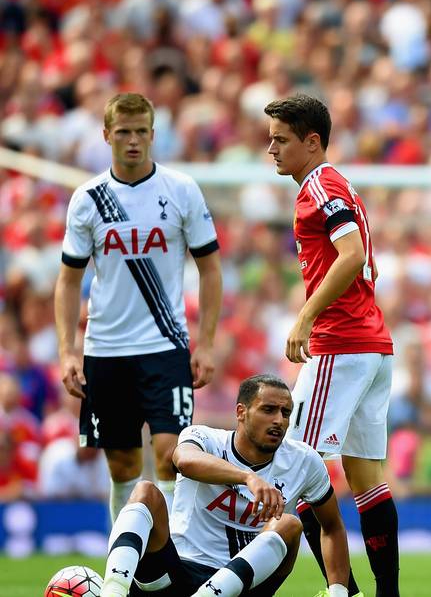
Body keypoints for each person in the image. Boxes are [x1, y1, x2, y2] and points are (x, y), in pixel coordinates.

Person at [55, 92, 223, 522]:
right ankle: (124, 568)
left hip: (165, 345)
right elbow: (69, 279)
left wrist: (205, 343)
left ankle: (171, 564)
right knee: (124, 467)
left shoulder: (181, 189)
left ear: (153, 134)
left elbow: (210, 270)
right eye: (124, 132)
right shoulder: (88, 199)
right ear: (107, 135)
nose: (133, 141)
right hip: (106, 348)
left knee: (172, 456)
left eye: (141, 132)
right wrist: (68, 350)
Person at [264, 94, 396, 597]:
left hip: (340, 344)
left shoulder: (318, 185)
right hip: (372, 346)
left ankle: (344, 591)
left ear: (311, 141)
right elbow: (365, 260)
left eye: (280, 139)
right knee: (367, 481)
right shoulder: (339, 186)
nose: (270, 148)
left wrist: (305, 316)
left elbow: (353, 254)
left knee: (295, 473)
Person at [98, 374, 352, 597]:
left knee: (290, 524)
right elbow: (183, 460)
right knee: (146, 492)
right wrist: (247, 477)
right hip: (176, 574)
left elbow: (332, 526)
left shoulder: (304, 461)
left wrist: (339, 593)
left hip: (245, 586)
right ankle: (113, 591)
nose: (279, 420)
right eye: (268, 410)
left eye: (285, 413)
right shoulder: (204, 438)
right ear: (241, 412)